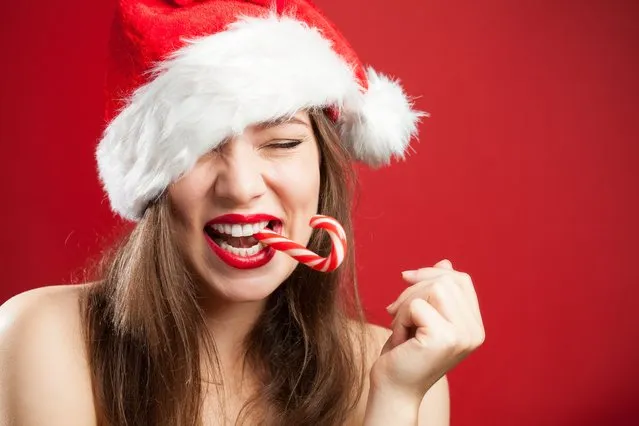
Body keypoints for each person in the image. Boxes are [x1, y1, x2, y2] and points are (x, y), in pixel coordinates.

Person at [0, 1, 485, 425]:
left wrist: (395, 402)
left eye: (282, 143)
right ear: (153, 179)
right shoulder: (47, 338)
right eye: (200, 147)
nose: (241, 186)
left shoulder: (392, 368)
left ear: (323, 169)